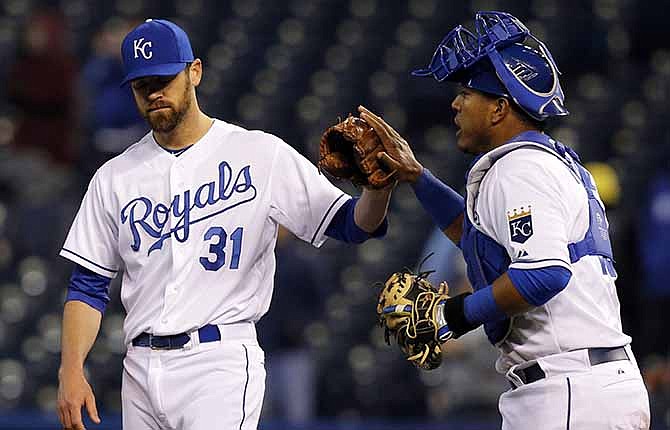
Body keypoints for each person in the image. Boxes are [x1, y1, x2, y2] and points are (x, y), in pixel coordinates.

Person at [56, 19, 393, 430]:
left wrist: (378, 190)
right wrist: (70, 370)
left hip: (217, 363)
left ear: (194, 71)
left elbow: (351, 225)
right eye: (143, 85)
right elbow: (87, 285)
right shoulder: (114, 177)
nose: (155, 93)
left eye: (164, 78)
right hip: (139, 369)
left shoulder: (257, 153)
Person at [361, 11, 651, 429]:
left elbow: (544, 274)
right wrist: (418, 178)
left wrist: (450, 316)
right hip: (576, 384)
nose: (456, 103)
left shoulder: (521, 169)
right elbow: (479, 239)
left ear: (499, 108)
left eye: (468, 92)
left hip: (570, 388)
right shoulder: (534, 163)